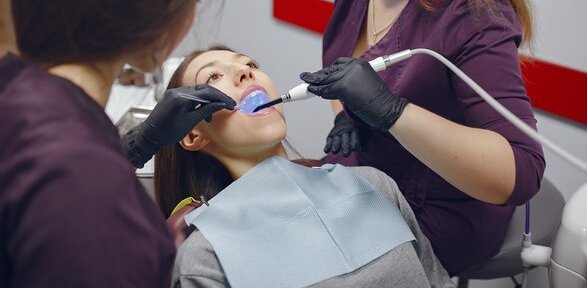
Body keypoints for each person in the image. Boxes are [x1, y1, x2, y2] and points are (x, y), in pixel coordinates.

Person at [297, 0, 546, 275]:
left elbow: (521, 172)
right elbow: (346, 77)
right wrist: (347, 113)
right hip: (366, 180)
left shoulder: (474, 13)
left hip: (439, 210)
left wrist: (391, 111)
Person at [0, 0, 235, 287]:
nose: (245, 74)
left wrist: (134, 145)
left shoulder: (15, 88)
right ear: (162, 18)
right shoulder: (89, 194)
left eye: (249, 64)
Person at [154, 45, 455, 288]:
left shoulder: (374, 186)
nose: (246, 72)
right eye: (213, 78)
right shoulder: (207, 256)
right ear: (192, 134)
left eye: (250, 63)